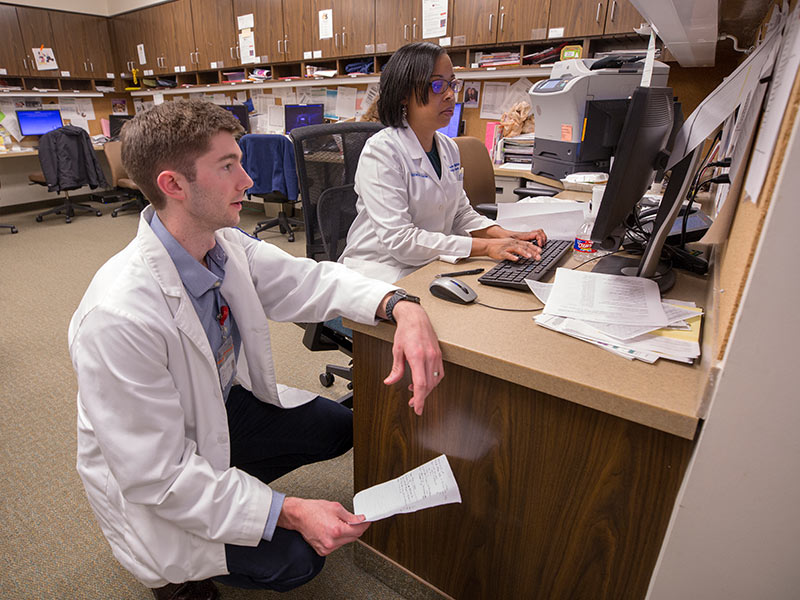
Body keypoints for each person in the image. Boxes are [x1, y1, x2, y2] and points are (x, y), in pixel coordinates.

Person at [68, 100, 444, 600]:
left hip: (217, 411)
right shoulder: (117, 318)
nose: (248, 180)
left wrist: (401, 305)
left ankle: (228, 492)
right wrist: (285, 510)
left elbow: (309, 280)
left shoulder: (223, 243)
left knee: (335, 428)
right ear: (173, 185)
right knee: (297, 558)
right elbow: (157, 477)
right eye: (228, 166)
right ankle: (180, 580)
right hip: (156, 473)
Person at [338, 42, 548, 283]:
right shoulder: (381, 152)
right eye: (437, 85)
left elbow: (460, 215)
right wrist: (486, 247)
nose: (450, 94)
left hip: (428, 265)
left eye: (452, 84)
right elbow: (401, 241)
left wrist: (506, 236)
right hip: (379, 272)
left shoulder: (447, 147)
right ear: (404, 94)